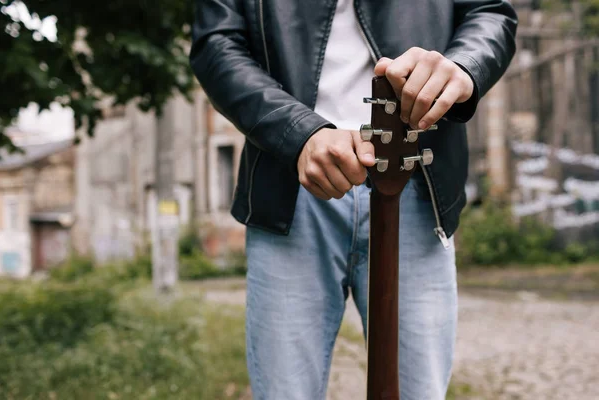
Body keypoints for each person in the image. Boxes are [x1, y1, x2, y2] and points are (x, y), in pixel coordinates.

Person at [190, 1, 517, 399]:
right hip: (289, 183)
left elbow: (490, 12)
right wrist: (298, 133)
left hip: (415, 179)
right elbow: (216, 43)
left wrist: (464, 66)